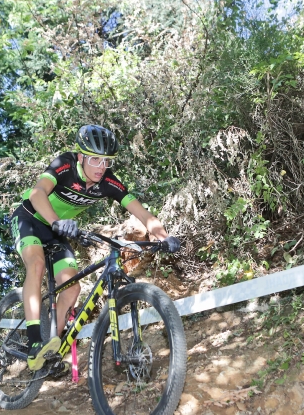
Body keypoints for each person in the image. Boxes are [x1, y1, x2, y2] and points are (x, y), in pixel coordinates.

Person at [10, 124, 181, 372]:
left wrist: (164, 237)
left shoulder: (109, 182)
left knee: (72, 288)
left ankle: (49, 349)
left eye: (107, 161)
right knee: (36, 265)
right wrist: (57, 222)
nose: (101, 167)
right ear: (81, 157)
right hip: (30, 220)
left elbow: (142, 212)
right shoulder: (64, 165)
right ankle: (35, 340)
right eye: (95, 160)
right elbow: (37, 194)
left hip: (58, 230)